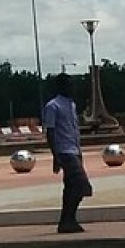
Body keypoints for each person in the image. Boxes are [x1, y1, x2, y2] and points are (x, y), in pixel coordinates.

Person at [44, 74, 93, 234]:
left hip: (75, 149)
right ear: (61, 86)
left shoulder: (71, 104)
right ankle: (68, 219)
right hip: (64, 150)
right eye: (69, 84)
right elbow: (50, 132)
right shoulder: (53, 106)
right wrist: (55, 155)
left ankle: (67, 220)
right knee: (81, 185)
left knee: (71, 187)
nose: (72, 88)